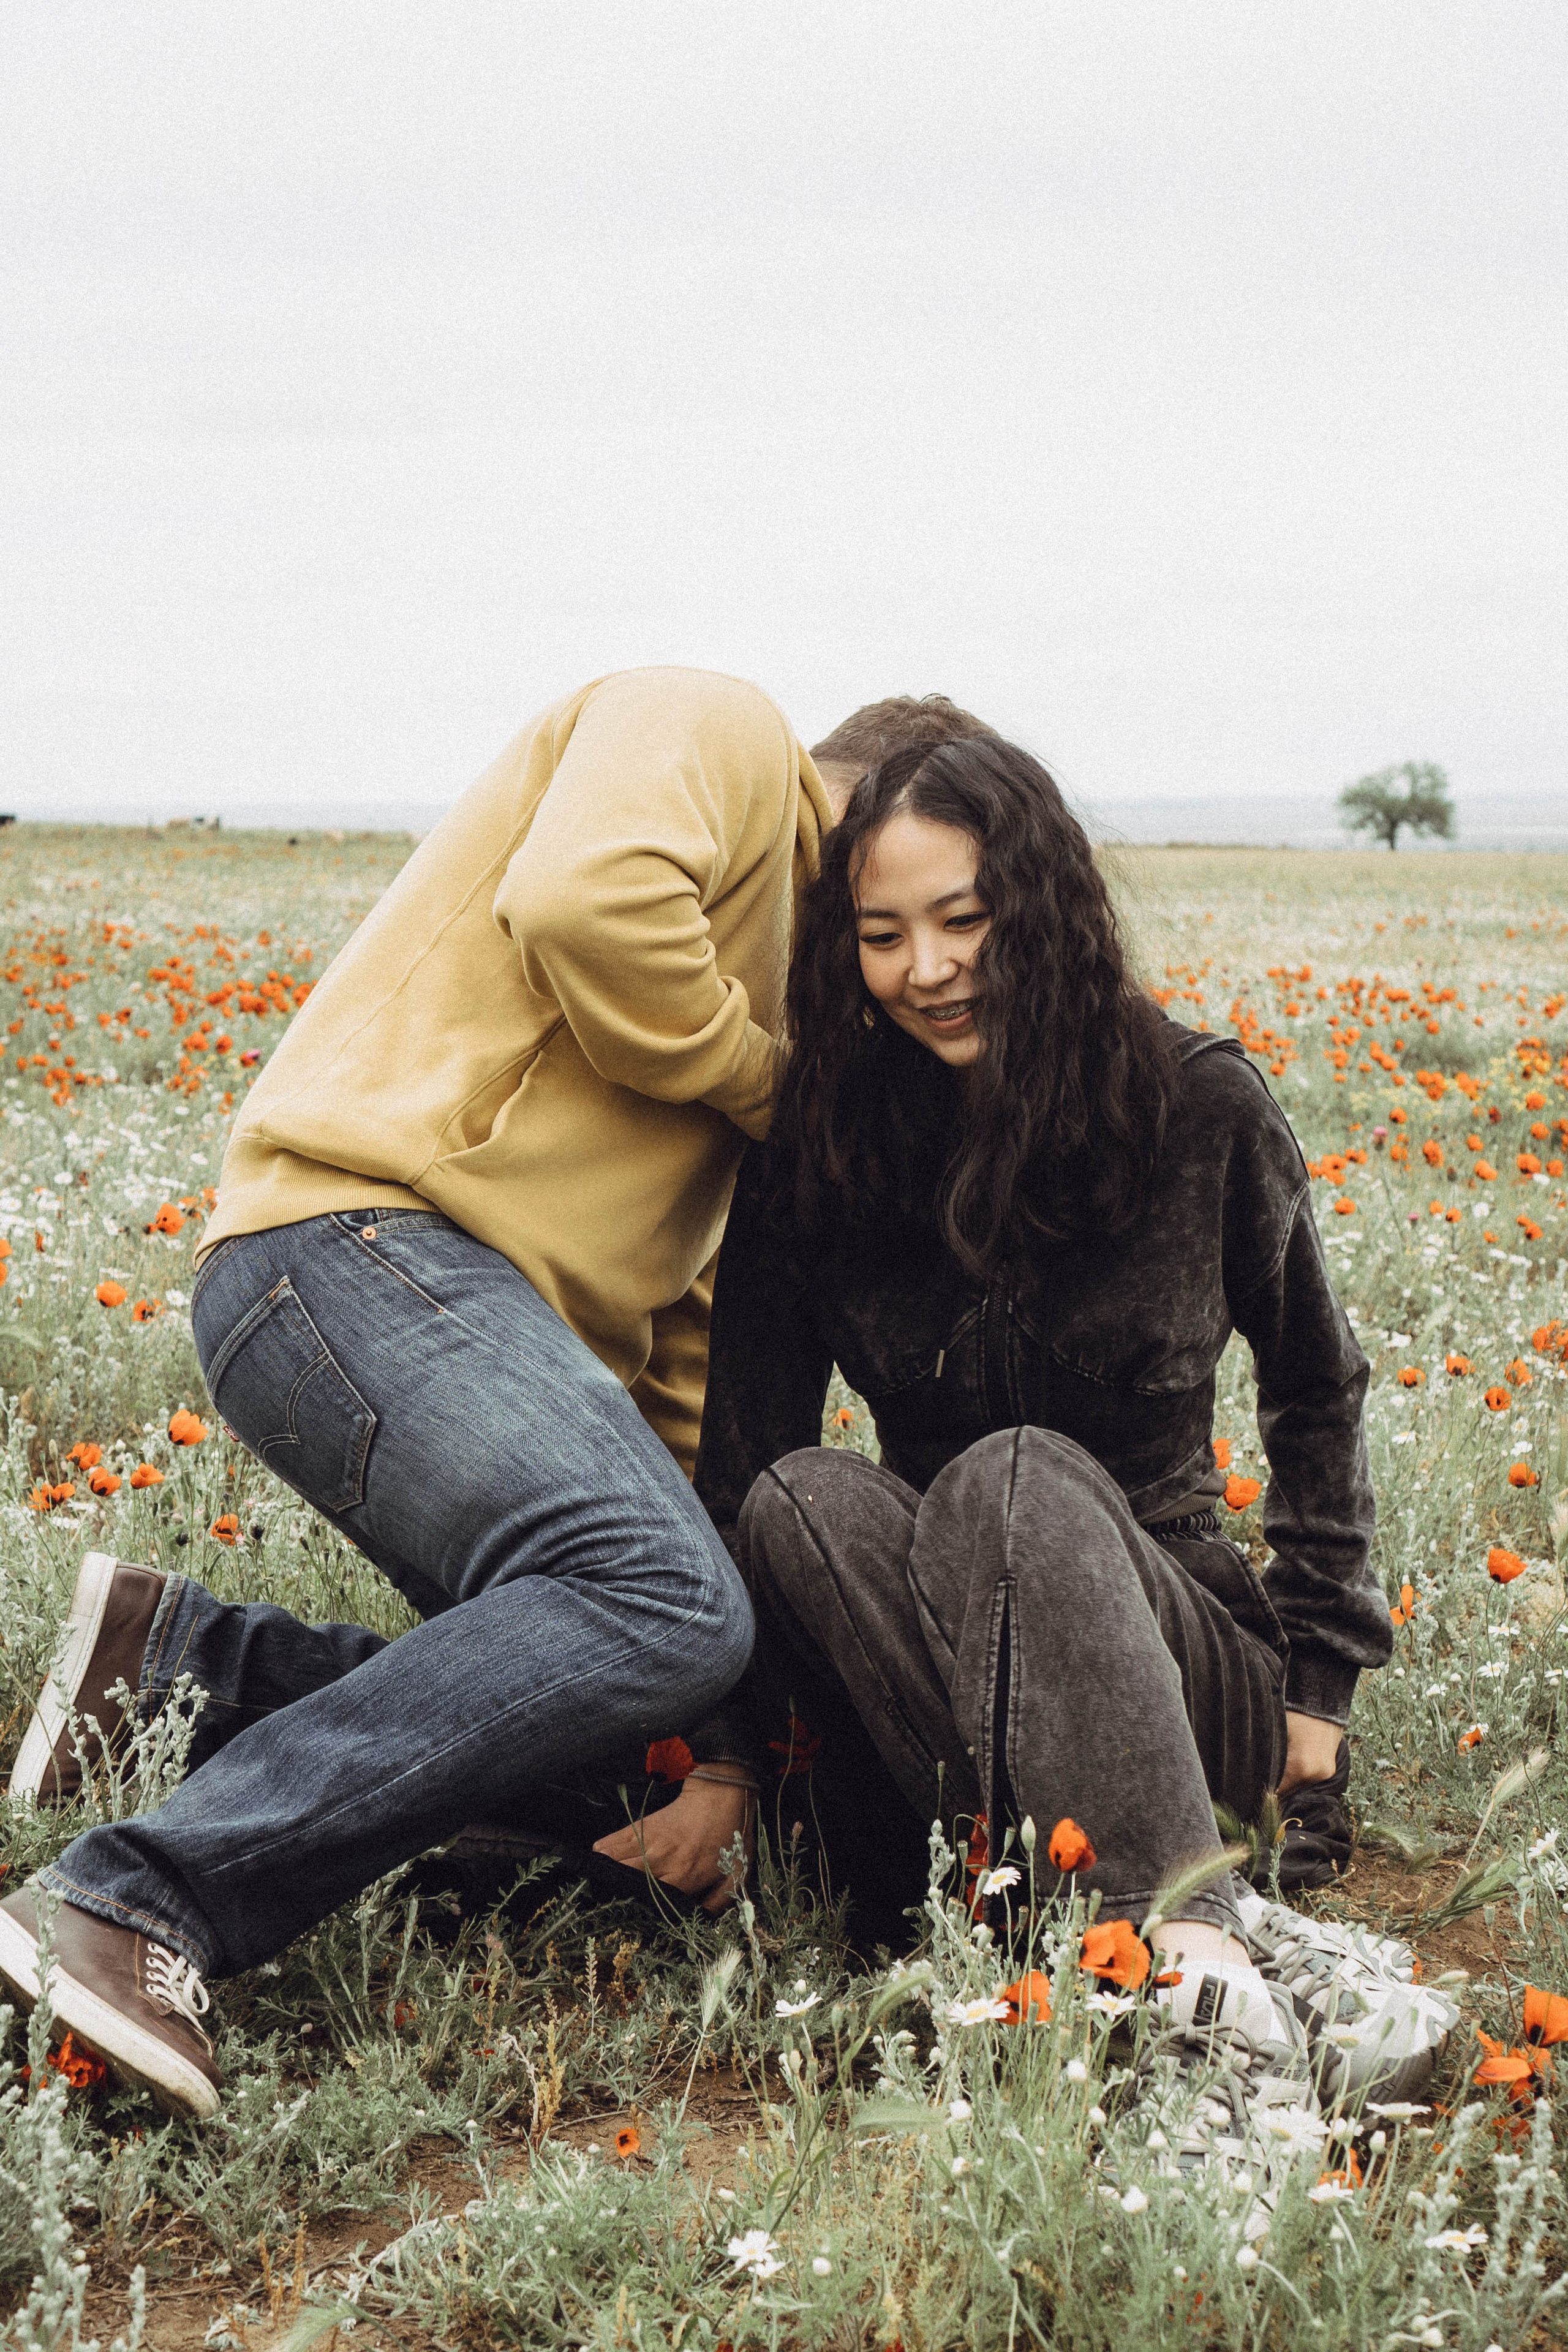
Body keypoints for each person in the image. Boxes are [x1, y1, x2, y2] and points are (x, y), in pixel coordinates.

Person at [0, 673, 989, 2118]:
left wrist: (715, 1742)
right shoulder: (718, 728)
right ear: (882, 811)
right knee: (664, 1604)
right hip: (356, 1243)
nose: (915, 966)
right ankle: (135, 1902)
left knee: (650, 1713)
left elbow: (681, 1381)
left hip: (442, 1313)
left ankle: (177, 1679)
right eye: (900, 907)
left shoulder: (771, 1016)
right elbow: (587, 902)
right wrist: (769, 1084)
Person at [693, 729, 1457, 2177]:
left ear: (1039, 902)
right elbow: (745, 1464)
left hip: (1184, 1683)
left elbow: (1314, 1386)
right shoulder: (820, 1152)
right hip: (940, 1704)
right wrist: (731, 1764)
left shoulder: (1195, 1106)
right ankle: (1253, 1959)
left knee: (1013, 1475)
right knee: (802, 1500)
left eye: (965, 918)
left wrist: (1315, 1686)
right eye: (882, 934)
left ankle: (1195, 1986)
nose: (929, 967)